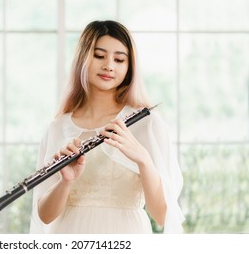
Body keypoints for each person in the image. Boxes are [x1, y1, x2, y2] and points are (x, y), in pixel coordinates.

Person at [29, 20, 184, 234]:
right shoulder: (58, 127)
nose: (109, 66)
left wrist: (143, 159)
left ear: (129, 67)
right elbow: (44, 217)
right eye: (100, 56)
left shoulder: (147, 123)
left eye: (119, 59)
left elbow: (162, 215)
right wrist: (65, 182)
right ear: (83, 58)